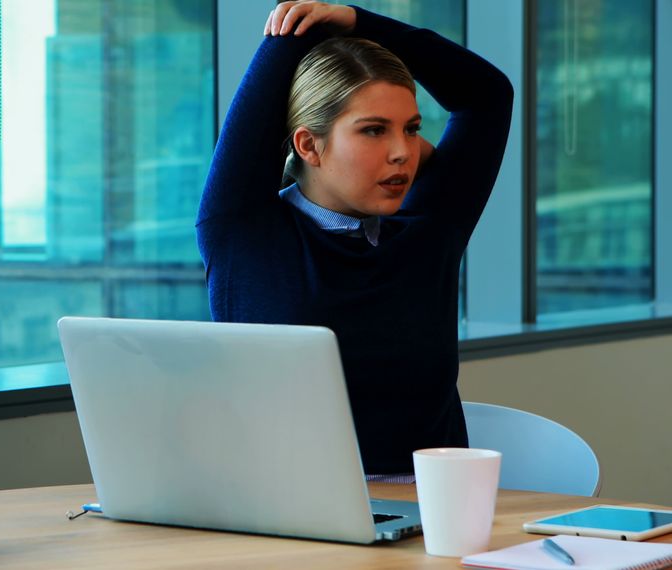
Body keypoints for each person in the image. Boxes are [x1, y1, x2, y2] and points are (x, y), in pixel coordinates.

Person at [196, 2, 513, 477]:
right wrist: (296, 32)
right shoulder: (243, 231)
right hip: (279, 513)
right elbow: (274, 71)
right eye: (373, 131)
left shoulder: (429, 231)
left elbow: (487, 95)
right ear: (308, 145)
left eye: (410, 129)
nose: (402, 153)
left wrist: (357, 20)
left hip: (425, 522)